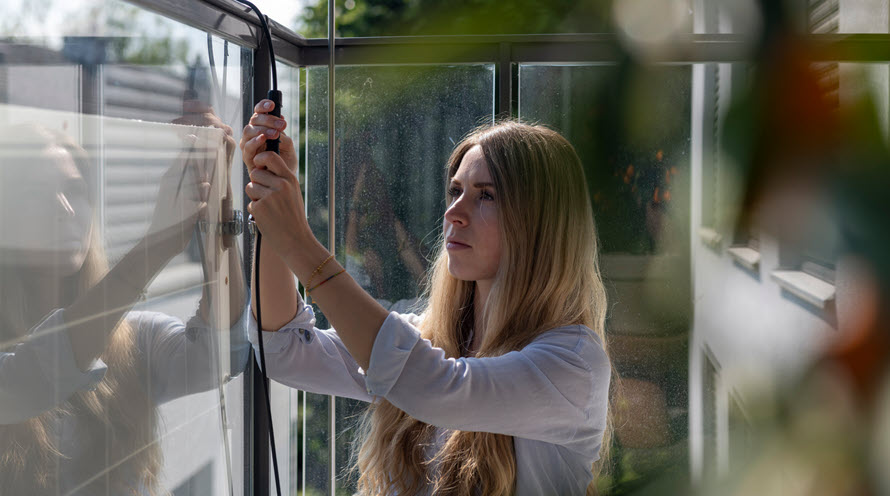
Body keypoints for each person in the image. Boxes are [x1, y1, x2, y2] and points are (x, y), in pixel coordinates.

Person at [242, 101, 612, 496]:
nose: (455, 212)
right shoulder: (428, 336)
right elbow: (284, 349)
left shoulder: (572, 362)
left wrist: (298, 240)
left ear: (542, 223)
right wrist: (272, 202)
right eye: (456, 191)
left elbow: (435, 388)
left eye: (486, 196)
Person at [0, 104, 248, 495]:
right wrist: (152, 248)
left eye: (76, 190)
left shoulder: (129, 341)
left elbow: (223, 354)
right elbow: (30, 378)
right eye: (36, 194)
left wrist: (218, 198)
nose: (65, 209)